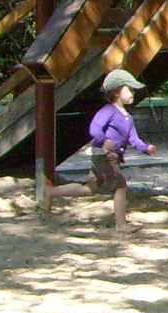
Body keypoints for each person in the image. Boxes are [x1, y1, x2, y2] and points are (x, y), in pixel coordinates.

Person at [45, 69, 156, 232]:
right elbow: (94, 128)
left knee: (90, 189)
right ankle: (121, 224)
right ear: (116, 92)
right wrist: (104, 141)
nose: (133, 93)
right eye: (129, 89)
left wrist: (146, 148)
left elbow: (133, 139)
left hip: (113, 156)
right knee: (120, 186)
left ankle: (51, 192)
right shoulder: (108, 111)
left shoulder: (128, 117)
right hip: (104, 156)